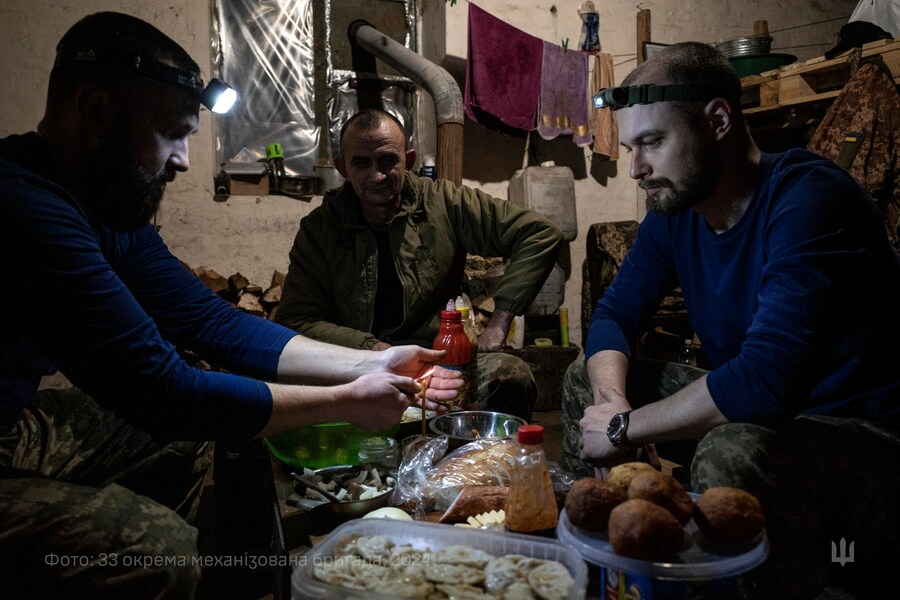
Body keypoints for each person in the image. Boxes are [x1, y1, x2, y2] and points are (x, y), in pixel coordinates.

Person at [0, 12, 461, 599]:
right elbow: (163, 390)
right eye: (174, 131)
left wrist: (371, 363)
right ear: (94, 110)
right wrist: (344, 402)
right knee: (154, 546)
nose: (184, 159)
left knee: (183, 438)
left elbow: (207, 318)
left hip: (13, 421)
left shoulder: (99, 202)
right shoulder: (25, 210)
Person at [562, 41, 899, 599]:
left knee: (732, 449)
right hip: (771, 418)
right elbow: (614, 316)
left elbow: (763, 382)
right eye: (631, 147)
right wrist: (613, 404)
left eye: (652, 142)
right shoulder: (679, 212)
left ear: (717, 120)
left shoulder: (809, 201)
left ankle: (789, 582)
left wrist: (625, 428)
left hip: (864, 437)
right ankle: (615, 565)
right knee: (586, 378)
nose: (636, 168)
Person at [275, 108, 564, 422]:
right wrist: (375, 350)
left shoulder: (444, 204)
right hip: (353, 362)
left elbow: (539, 232)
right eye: (362, 163)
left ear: (408, 161)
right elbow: (298, 319)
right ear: (343, 167)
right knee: (279, 384)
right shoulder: (321, 229)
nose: (376, 176)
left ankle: (488, 465)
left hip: (439, 359)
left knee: (511, 375)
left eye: (388, 161)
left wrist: (499, 322)